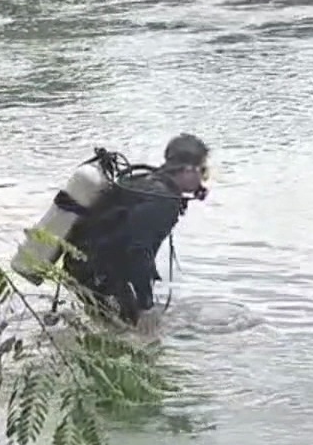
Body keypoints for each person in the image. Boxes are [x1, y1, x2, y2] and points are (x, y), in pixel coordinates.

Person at [63, 134, 210, 326]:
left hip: (82, 264)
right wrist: (146, 305)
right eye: (203, 171)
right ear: (188, 170)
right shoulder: (162, 201)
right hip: (96, 273)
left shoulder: (146, 183)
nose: (204, 179)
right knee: (135, 332)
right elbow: (138, 251)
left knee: (113, 328)